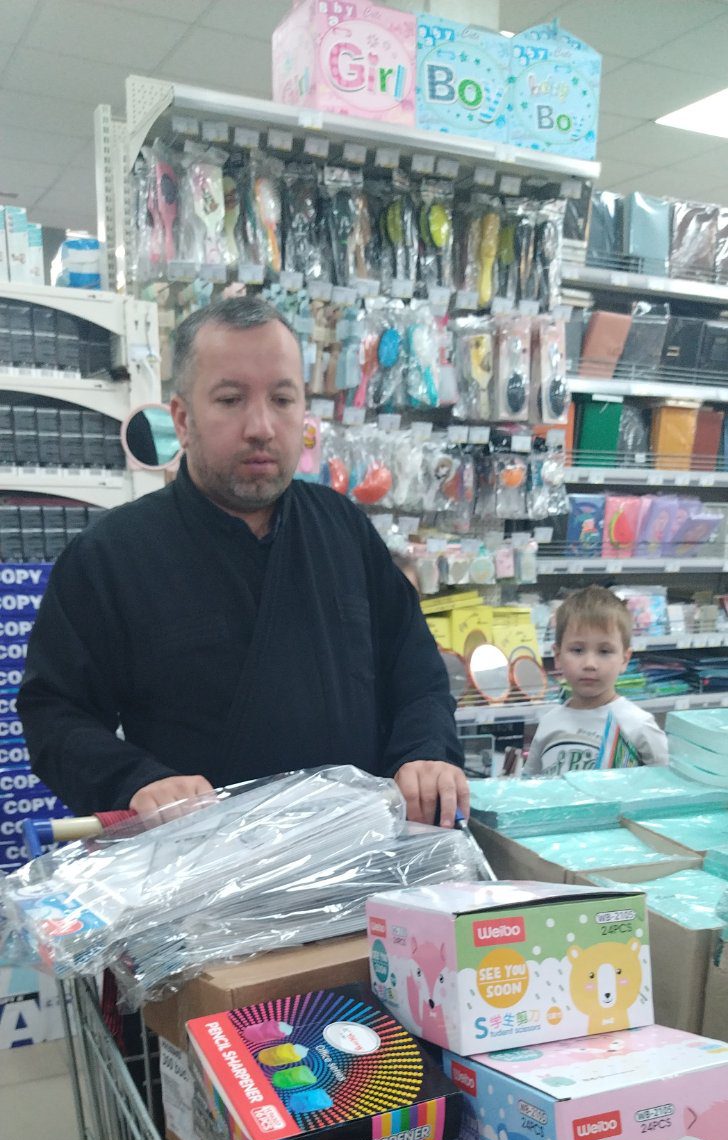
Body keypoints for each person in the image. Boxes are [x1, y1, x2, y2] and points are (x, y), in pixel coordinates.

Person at [19, 298, 468, 828]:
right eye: (231, 400)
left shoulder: (343, 528)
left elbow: (416, 672)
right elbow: (55, 714)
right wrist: (136, 781)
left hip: (361, 852)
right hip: (200, 862)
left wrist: (425, 752)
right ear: (182, 419)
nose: (261, 426)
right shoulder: (110, 556)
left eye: (282, 399)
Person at [524, 586, 668, 775]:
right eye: (577, 650)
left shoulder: (638, 726)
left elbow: (666, 784)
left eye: (604, 651)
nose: (590, 664)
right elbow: (530, 784)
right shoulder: (549, 723)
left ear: (625, 659)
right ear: (557, 656)